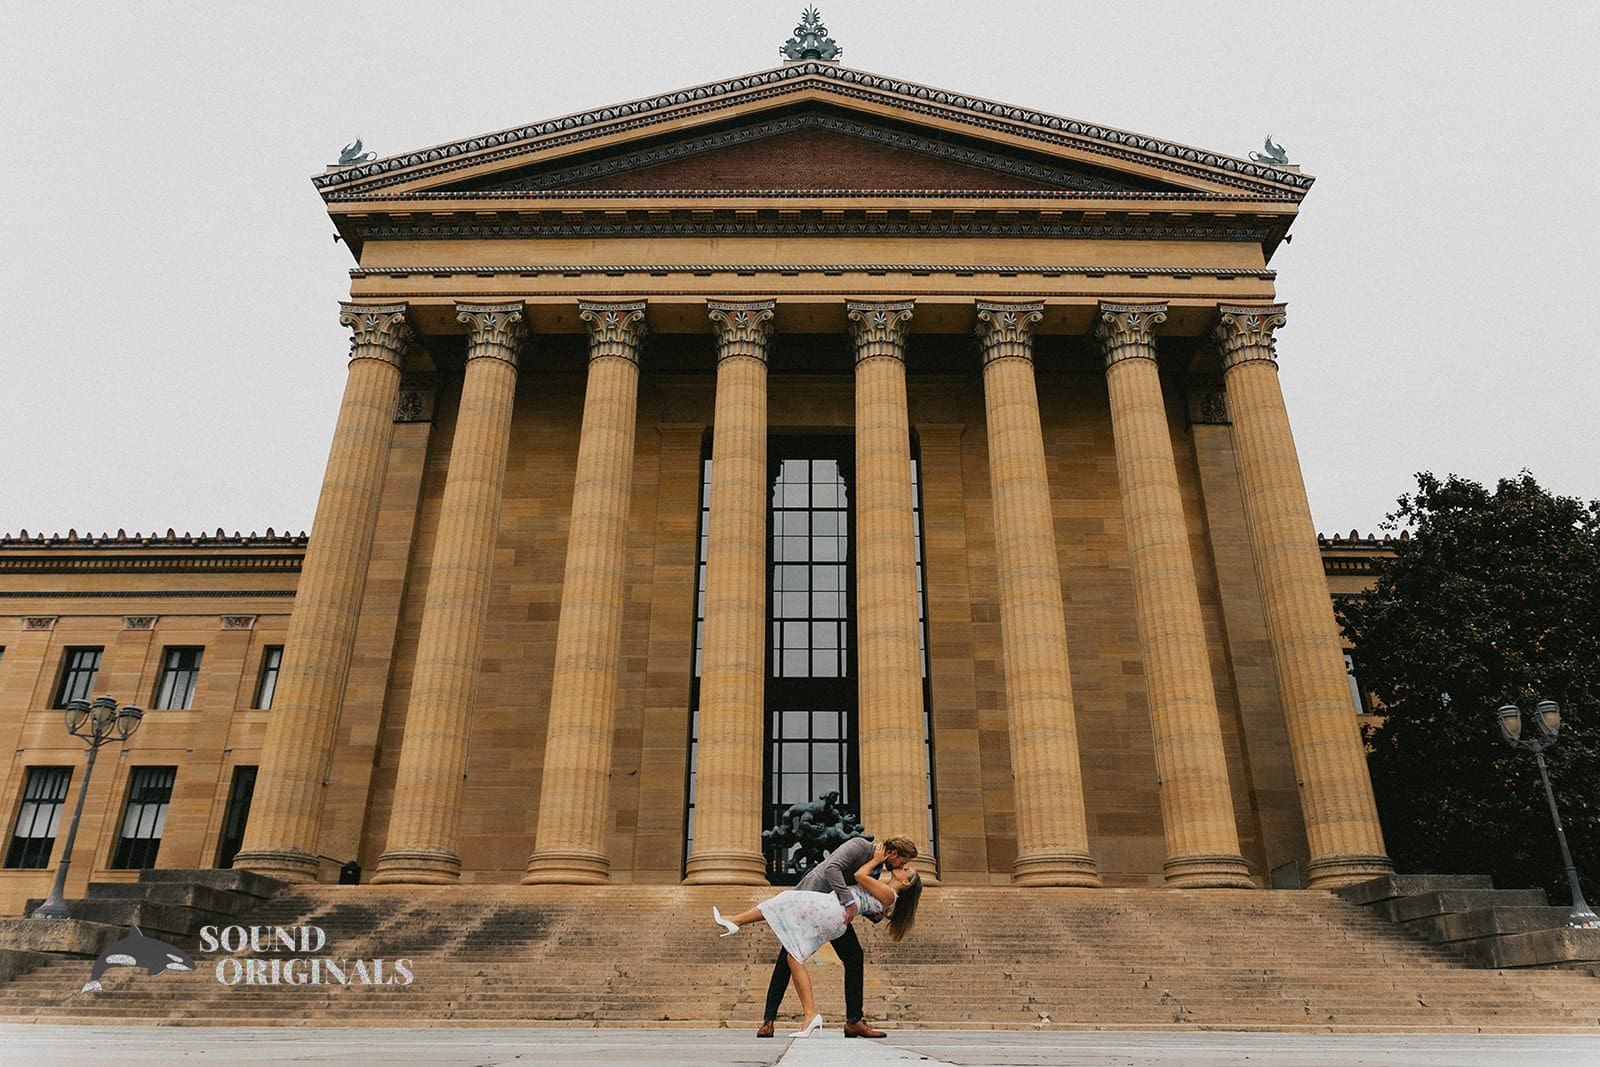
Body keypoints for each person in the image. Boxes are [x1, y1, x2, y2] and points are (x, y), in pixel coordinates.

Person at [717, 835, 922, 1038]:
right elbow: (832, 868)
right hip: (816, 897)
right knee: (788, 956)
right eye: (903, 862)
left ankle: (853, 1021)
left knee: (849, 956)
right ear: (893, 853)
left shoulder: (877, 868)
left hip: (833, 910)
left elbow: (867, 894)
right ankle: (769, 1020)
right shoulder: (859, 846)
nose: (901, 866)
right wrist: (851, 902)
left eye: (905, 867)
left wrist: (872, 909)